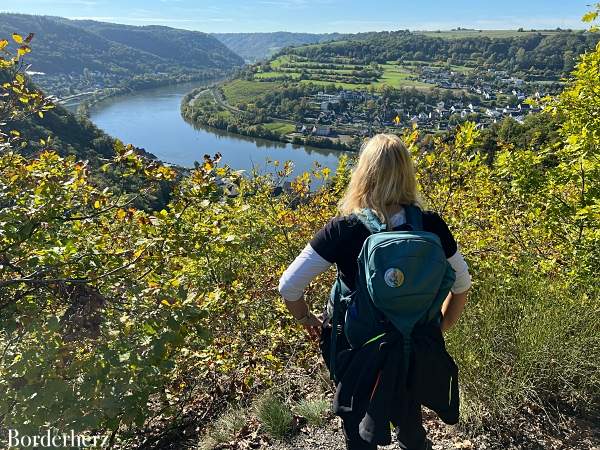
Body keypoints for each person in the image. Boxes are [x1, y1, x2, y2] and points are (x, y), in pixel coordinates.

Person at [278, 134, 472, 450]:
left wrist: (306, 318)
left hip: (359, 349)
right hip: (413, 346)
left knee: (357, 429)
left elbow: (289, 286)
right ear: (407, 173)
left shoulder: (344, 228)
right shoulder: (430, 225)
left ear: (362, 173)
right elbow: (462, 284)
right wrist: (440, 325)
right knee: (410, 417)